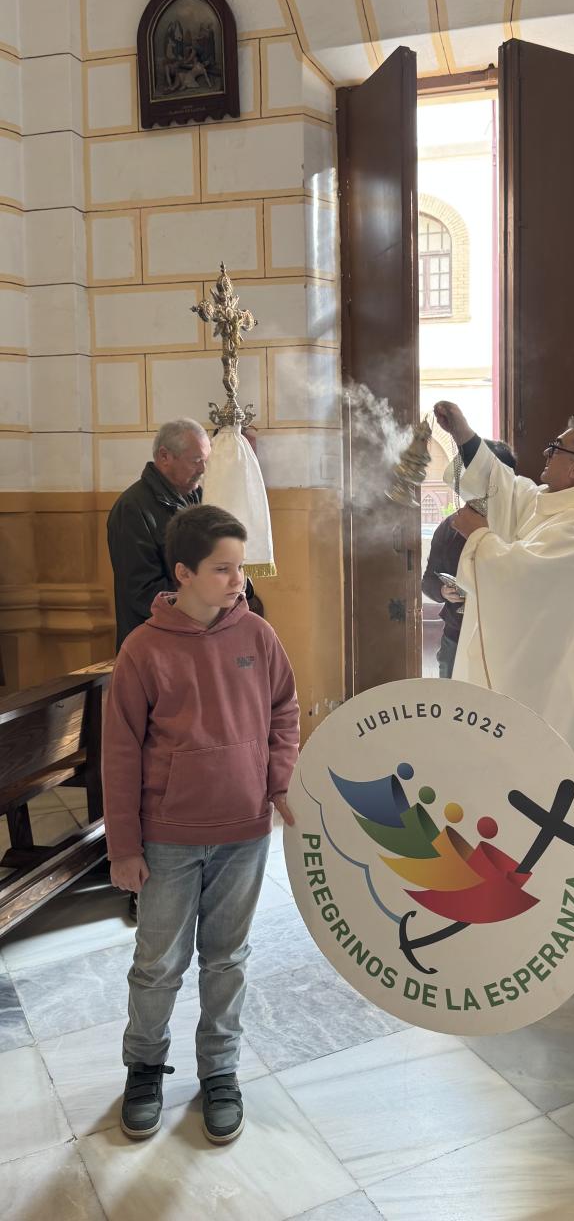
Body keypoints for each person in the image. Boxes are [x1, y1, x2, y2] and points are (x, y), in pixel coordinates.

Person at [102, 504, 299, 1145]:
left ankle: (220, 1072)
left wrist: (277, 782)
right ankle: (145, 1069)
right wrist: (124, 847)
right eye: (223, 569)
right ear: (183, 573)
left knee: (227, 959)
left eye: (240, 567)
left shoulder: (258, 637)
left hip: (244, 831)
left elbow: (283, 713)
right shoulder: (143, 650)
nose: (237, 580)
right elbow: (121, 752)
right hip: (168, 835)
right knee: (158, 962)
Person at [433, 400, 574, 966]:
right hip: (559, 685)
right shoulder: (563, 507)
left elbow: (524, 578)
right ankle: (538, 905)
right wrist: (467, 437)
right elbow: (513, 495)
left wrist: (478, 538)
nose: (545, 458)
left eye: (557, 449)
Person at [107, 419, 211, 653]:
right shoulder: (132, 508)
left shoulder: (198, 498)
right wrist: (205, 594)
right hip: (154, 646)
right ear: (165, 456)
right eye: (196, 461)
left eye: (205, 461)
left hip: (195, 636)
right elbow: (143, 592)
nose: (203, 470)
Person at [422, 438, 516, 678]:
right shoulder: (450, 527)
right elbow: (428, 581)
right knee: (451, 707)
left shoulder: (520, 523)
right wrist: (443, 592)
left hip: (505, 639)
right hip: (457, 634)